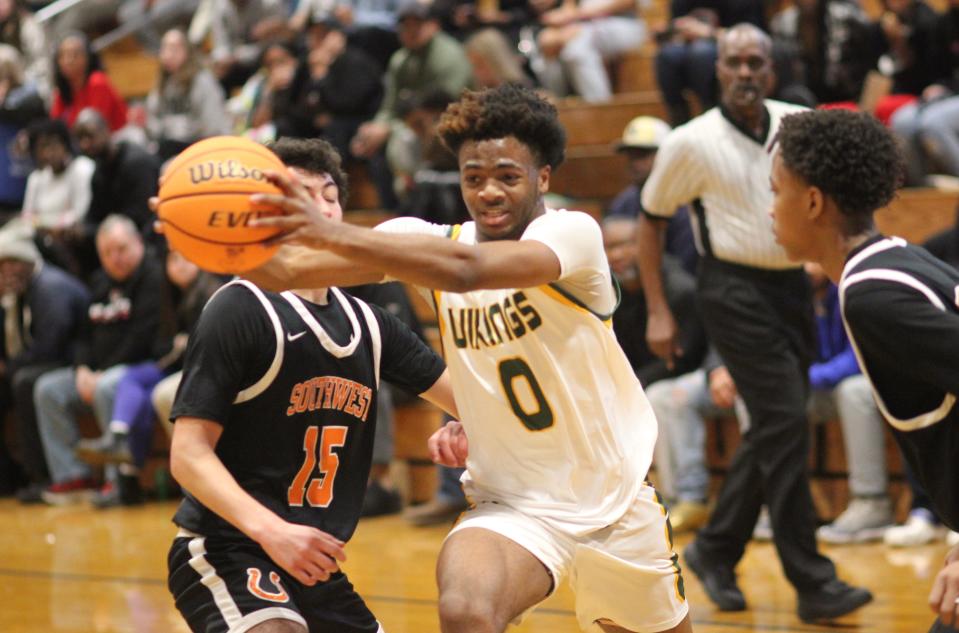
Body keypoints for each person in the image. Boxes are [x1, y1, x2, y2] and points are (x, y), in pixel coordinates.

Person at [250, 83, 692, 633]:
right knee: (466, 608)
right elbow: (290, 273)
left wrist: (327, 229)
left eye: (508, 176)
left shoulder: (572, 234)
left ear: (543, 178)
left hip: (617, 501)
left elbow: (466, 270)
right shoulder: (424, 239)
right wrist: (217, 233)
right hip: (514, 505)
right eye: (473, 178)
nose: (489, 192)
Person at [166, 136, 456, 633]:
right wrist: (273, 532)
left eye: (328, 194)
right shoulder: (240, 308)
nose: (318, 206)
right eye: (298, 194)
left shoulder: (370, 324)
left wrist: (465, 422)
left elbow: (472, 400)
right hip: (227, 546)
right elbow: (188, 455)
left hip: (311, 564)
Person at [638, 24, 871, 622]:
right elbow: (650, 222)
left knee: (775, 426)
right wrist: (661, 310)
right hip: (732, 289)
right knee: (784, 418)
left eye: (755, 63)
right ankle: (812, 580)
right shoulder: (689, 142)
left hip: (794, 286)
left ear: (771, 68)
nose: (745, 72)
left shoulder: (798, 123)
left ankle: (716, 548)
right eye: (734, 62)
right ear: (717, 69)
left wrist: (830, 261)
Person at [769, 107, 959, 633]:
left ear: (811, 202)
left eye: (775, 191)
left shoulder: (872, 296)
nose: (769, 210)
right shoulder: (900, 259)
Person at [34, 215, 163, 505]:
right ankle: (74, 477)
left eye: (121, 249)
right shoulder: (99, 282)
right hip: (97, 372)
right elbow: (83, 336)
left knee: (109, 386)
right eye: (106, 253)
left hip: (139, 371)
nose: (114, 258)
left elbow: (142, 337)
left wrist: (101, 373)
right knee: (48, 389)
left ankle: (116, 482)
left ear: (138, 243)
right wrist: (82, 369)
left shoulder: (155, 277)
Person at [0, 226, 89, 501]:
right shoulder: (22, 290)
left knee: (24, 381)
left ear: (25, 261)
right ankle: (11, 474)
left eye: (9, 265)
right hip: (48, 360)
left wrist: (8, 368)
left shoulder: (51, 287)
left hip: (73, 363)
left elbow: (50, 348)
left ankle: (41, 475)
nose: (4, 273)